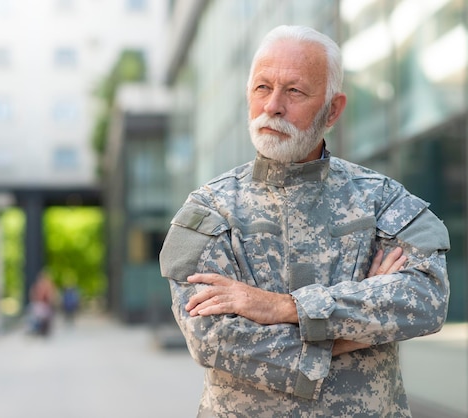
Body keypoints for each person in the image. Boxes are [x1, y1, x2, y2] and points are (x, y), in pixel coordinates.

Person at [159, 25, 450, 417]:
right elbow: (213, 340)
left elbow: (425, 299)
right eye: (262, 87)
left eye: (294, 91)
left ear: (333, 109)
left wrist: (283, 308)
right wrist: (356, 331)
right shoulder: (209, 210)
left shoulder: (381, 199)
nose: (273, 105)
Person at [28, 270, 57, 337]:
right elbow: (33, 295)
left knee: (42, 314)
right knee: (33, 313)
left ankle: (41, 329)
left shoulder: (48, 285)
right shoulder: (38, 286)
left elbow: (51, 296)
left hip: (44, 305)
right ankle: (36, 329)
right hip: (39, 304)